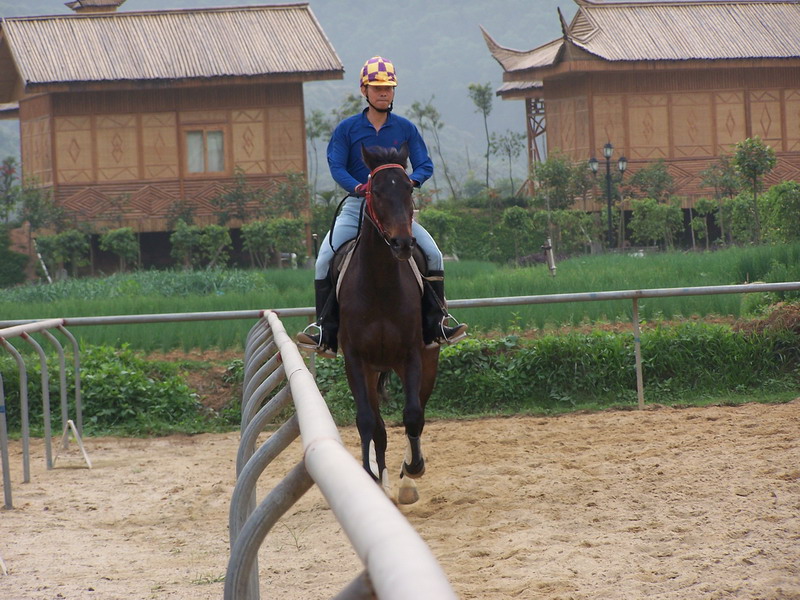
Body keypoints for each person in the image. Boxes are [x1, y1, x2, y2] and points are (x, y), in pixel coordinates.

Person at [296, 56, 467, 358]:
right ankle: (325, 329)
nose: (383, 93)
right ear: (364, 90)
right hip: (357, 207)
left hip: (396, 210)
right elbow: (336, 166)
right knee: (324, 260)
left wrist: (408, 183)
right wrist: (358, 187)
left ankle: (438, 322)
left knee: (434, 254)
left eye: (388, 87)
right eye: (377, 88)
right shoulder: (347, 129)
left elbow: (424, 164)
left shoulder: (406, 128)